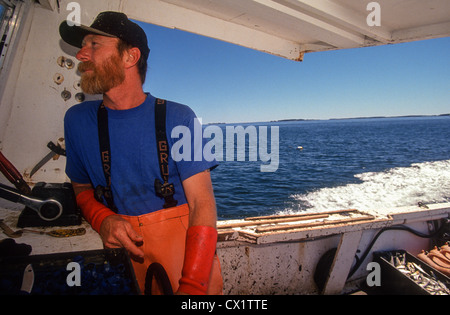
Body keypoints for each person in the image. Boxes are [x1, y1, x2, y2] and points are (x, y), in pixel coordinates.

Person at [59, 11, 223, 295]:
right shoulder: (75, 120)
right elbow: (81, 186)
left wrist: (194, 286)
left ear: (129, 57)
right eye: (82, 46)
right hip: (121, 260)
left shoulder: (179, 117)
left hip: (185, 261)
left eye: (94, 45)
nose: (81, 55)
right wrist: (102, 218)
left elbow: (202, 204)